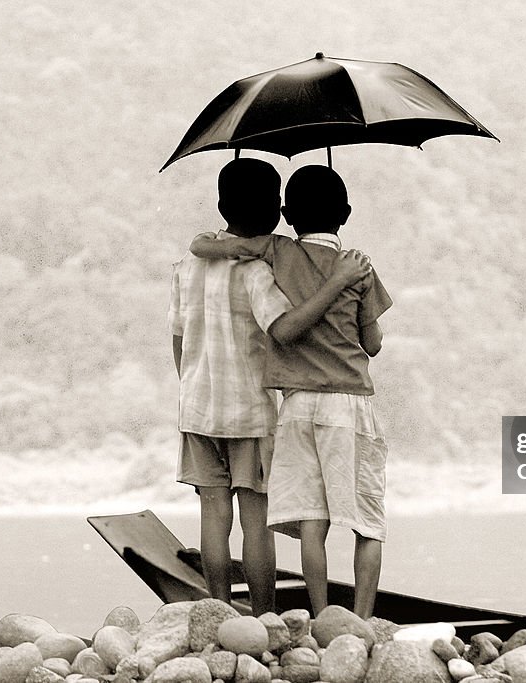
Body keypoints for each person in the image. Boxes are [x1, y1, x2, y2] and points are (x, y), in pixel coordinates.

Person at [169, 158, 372, 614]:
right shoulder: (259, 271)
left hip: (197, 407)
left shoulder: (187, 264)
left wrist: (190, 389)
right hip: (251, 410)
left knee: (213, 514)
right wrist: (336, 285)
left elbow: (178, 340)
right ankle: (263, 616)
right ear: (279, 210)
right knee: (256, 522)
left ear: (221, 205)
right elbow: (283, 328)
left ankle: (217, 612)